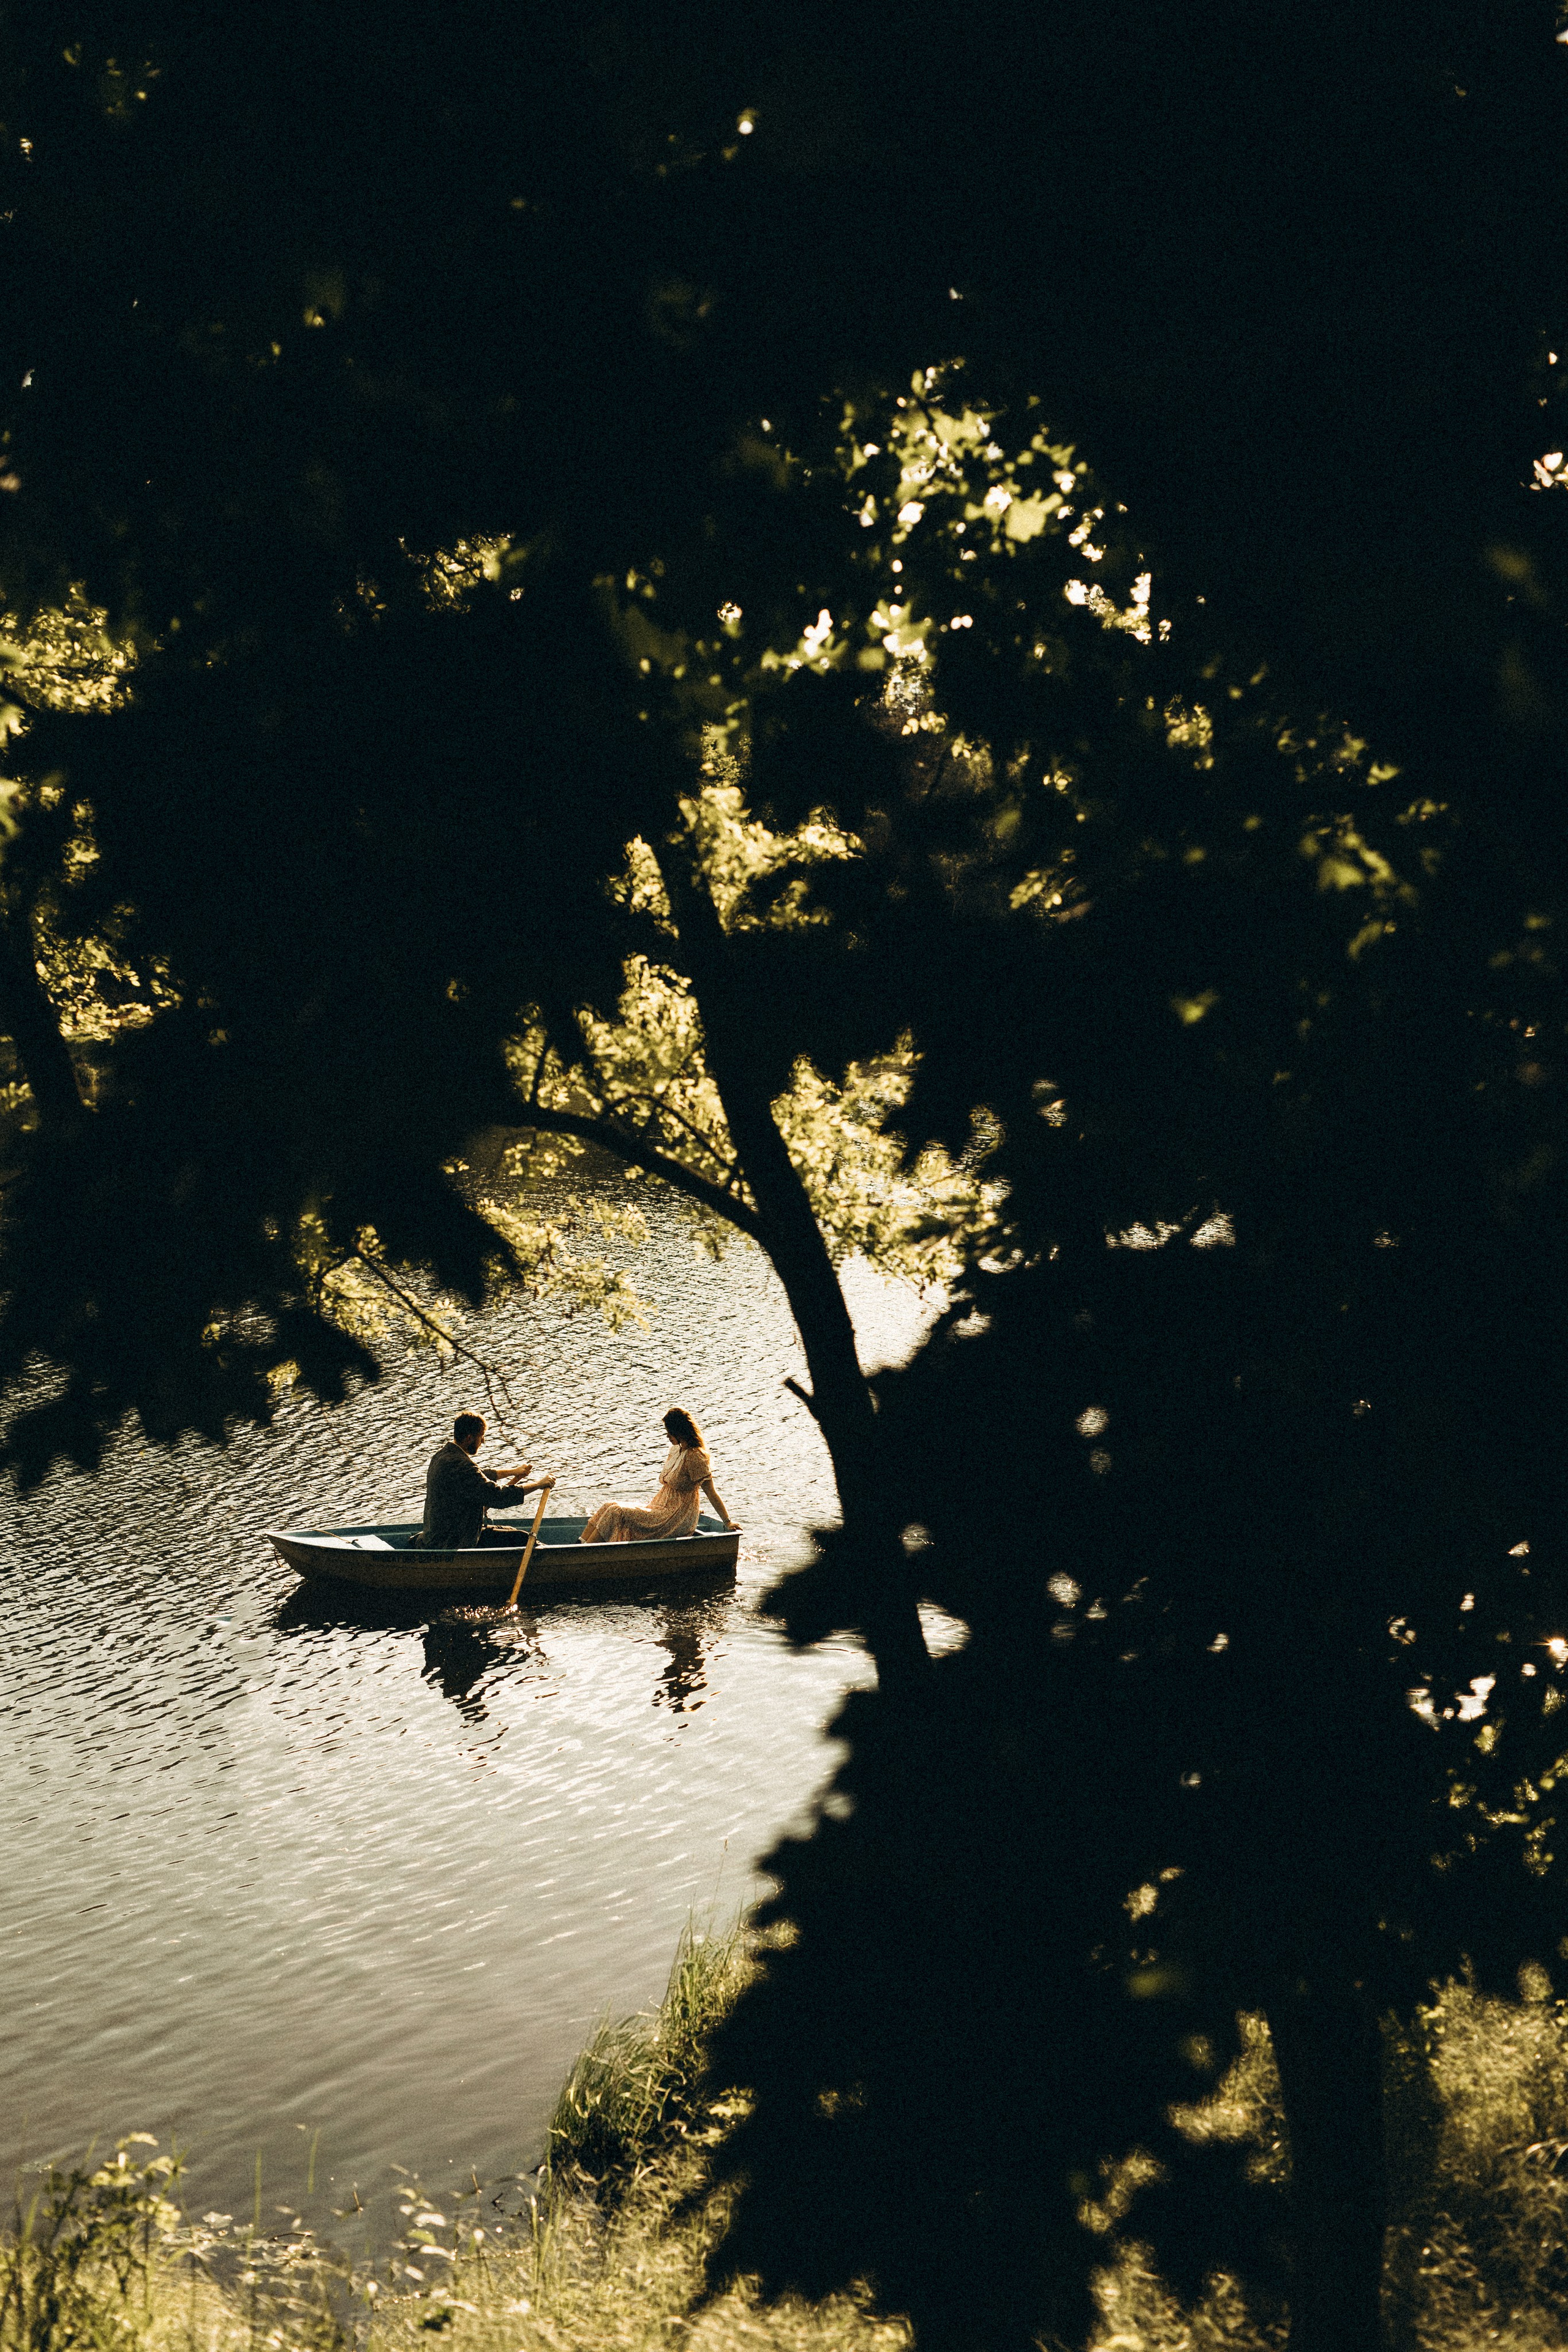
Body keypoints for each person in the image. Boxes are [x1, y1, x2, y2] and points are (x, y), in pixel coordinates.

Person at [580, 1408, 736, 1544]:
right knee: (609, 1505)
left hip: (675, 1518)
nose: (667, 1435)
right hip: (660, 1507)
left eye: (670, 1432)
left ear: (680, 1431)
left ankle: (586, 1553)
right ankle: (580, 1545)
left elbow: (711, 1492)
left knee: (617, 1512)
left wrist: (727, 1522)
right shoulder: (676, 1450)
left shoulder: (696, 1456)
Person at [415, 1412, 552, 1550]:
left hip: (448, 1532)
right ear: (469, 1438)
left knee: (511, 1530)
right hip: (452, 1540)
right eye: (481, 1436)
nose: (483, 1441)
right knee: (522, 1538)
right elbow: (497, 1496)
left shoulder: (443, 1456)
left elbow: (480, 1475)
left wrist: (514, 1472)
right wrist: (539, 1485)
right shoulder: (459, 1464)